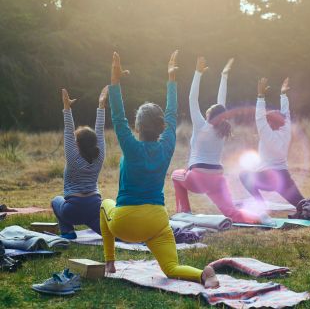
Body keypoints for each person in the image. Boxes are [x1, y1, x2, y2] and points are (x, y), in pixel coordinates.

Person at [100, 51, 218, 287]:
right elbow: (172, 115)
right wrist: (172, 81)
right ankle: (202, 275)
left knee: (104, 204)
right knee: (171, 268)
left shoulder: (131, 146)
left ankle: (110, 262)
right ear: (162, 126)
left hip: (125, 224)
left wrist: (115, 82)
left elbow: (118, 117)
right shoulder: (167, 145)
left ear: (137, 126)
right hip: (156, 221)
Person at [171, 57, 259, 223]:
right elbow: (221, 103)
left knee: (176, 176)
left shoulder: (201, 126)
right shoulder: (222, 129)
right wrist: (224, 76)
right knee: (232, 213)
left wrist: (197, 73)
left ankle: (185, 212)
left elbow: (192, 98)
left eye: (209, 110)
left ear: (209, 114)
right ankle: (260, 218)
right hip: (217, 179)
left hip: (197, 178)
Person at [239, 77, 304, 212]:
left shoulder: (266, 135)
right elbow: (286, 113)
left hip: (267, 178)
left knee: (244, 175)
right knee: (303, 205)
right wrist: (283, 95)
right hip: (284, 178)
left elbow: (259, 118)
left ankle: (260, 204)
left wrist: (261, 96)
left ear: (270, 123)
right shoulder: (286, 131)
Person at [51, 87, 106, 239]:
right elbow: (100, 131)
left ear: (77, 143)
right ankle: (122, 235)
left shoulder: (73, 158)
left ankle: (68, 232)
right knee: (111, 234)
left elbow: (69, 130)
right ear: (95, 143)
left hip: (72, 210)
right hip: (95, 207)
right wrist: (101, 106)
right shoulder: (99, 156)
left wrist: (67, 107)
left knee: (56, 200)